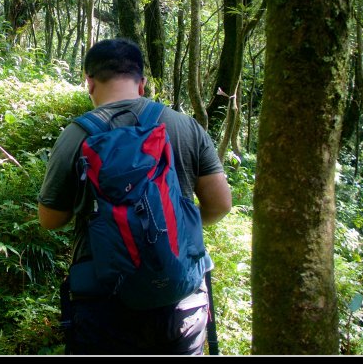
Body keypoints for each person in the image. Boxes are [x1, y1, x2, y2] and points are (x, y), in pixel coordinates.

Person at [38, 37, 232, 355]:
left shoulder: (76, 135)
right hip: (179, 296)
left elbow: (50, 219)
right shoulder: (185, 126)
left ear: (89, 82)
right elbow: (220, 205)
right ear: (141, 83)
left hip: (104, 301)